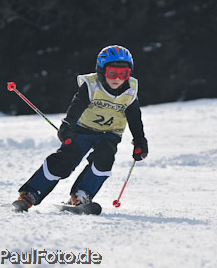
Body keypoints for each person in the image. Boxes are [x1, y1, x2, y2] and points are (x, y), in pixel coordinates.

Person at [13, 45, 148, 212]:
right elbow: (77, 105)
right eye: (112, 73)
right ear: (101, 71)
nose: (118, 78)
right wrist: (67, 125)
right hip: (83, 129)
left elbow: (134, 117)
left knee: (105, 158)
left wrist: (140, 141)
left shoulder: (130, 90)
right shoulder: (92, 86)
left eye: (124, 74)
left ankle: (81, 195)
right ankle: (30, 193)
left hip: (110, 133)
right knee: (66, 160)